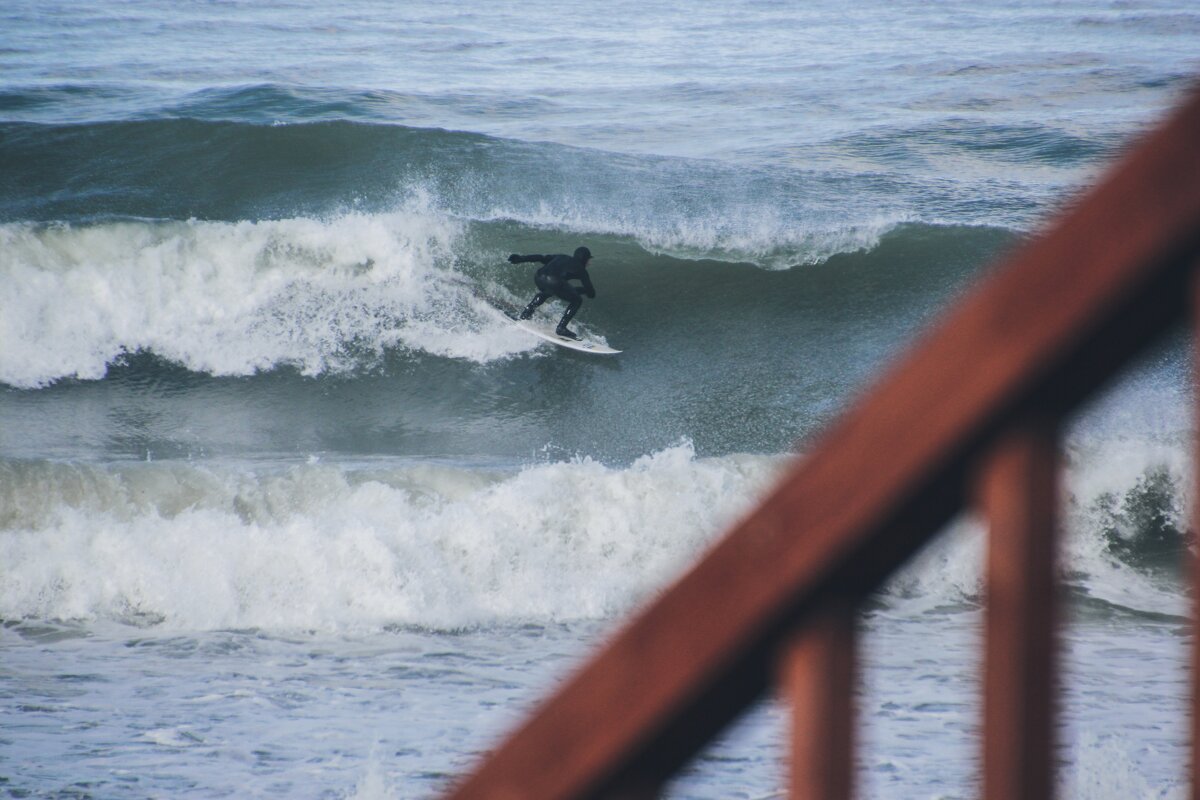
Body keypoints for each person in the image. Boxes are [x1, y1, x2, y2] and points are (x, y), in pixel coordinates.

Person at [507, 246, 596, 340]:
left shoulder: (562, 257)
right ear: (584, 259)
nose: (589, 262)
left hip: (539, 277)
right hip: (554, 282)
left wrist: (521, 259)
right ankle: (561, 327)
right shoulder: (582, 270)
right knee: (577, 300)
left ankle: (526, 314)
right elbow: (591, 293)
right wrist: (582, 291)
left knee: (548, 291)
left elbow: (541, 258)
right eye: (589, 259)